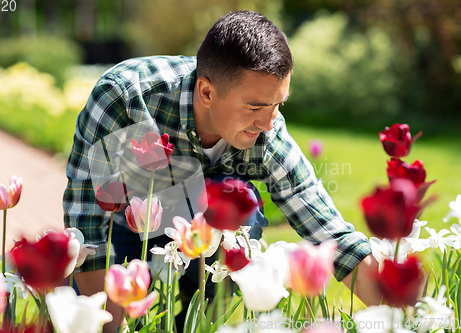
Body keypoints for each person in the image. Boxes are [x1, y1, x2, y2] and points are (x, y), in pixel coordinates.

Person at [63, 10, 381, 333]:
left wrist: (409, 316)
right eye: (255, 107)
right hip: (128, 228)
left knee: (241, 207)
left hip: (207, 245)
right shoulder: (124, 97)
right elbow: (88, 224)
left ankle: (199, 324)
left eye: (278, 105)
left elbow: (330, 231)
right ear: (206, 92)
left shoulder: (266, 135)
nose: (268, 123)